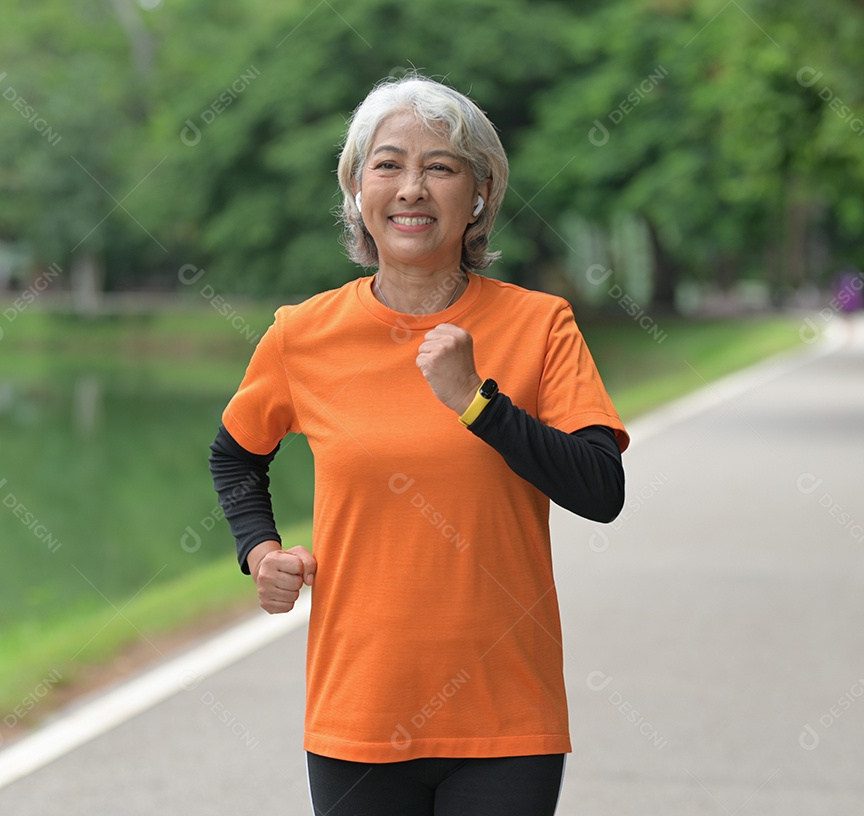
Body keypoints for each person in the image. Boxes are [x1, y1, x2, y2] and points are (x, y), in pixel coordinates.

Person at [209, 74, 629, 816]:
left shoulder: (541, 324)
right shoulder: (300, 334)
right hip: (359, 715)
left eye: (440, 167)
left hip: (508, 721)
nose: (411, 187)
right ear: (356, 192)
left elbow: (601, 489)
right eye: (388, 164)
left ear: (480, 195)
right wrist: (260, 550)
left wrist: (480, 403)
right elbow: (236, 454)